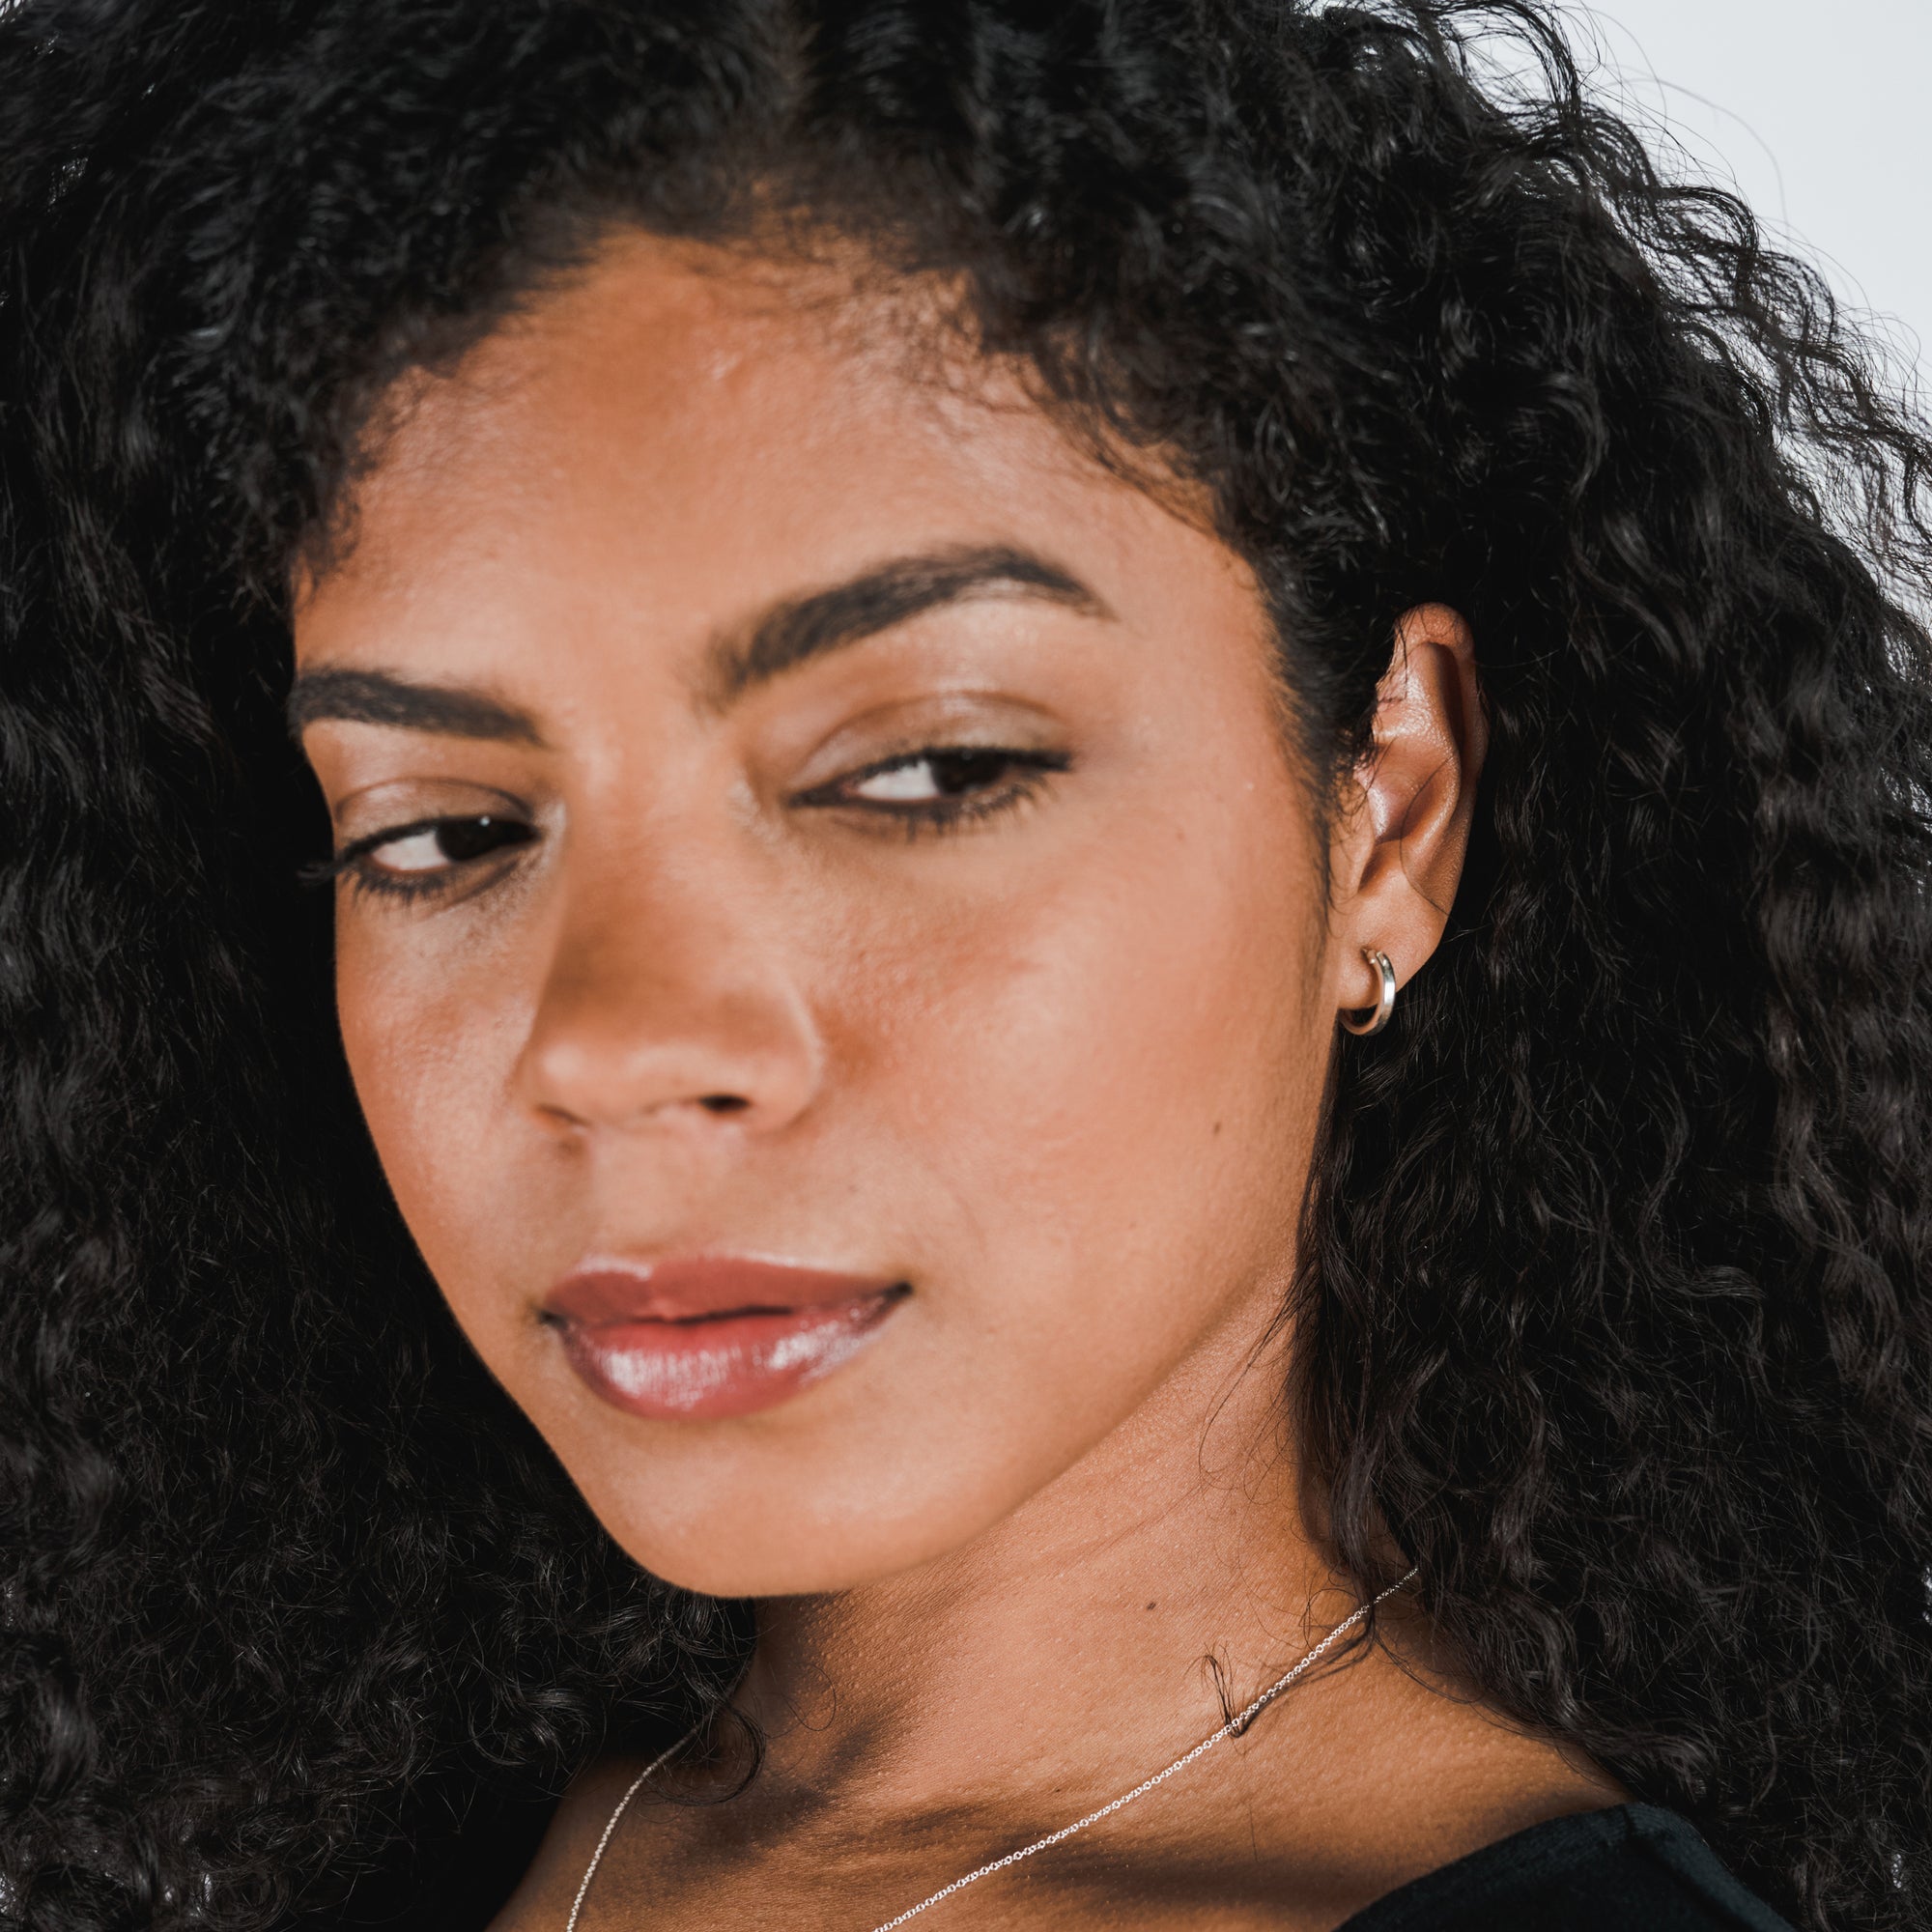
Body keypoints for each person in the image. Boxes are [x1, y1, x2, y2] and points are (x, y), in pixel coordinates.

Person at [1, 1, 1926, 1927]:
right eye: (443, 832)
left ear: (1388, 812)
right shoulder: (253, 1845)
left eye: (924, 770)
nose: (621, 1041)